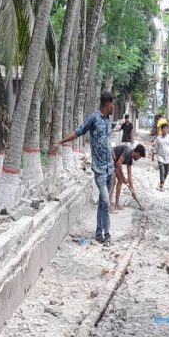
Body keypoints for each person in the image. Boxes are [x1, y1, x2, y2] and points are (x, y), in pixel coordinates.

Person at [57, 93, 116, 245]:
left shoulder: (109, 121)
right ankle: (107, 235)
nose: (114, 108)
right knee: (106, 201)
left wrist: (113, 158)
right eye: (112, 105)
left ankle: (98, 234)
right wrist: (61, 142)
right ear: (107, 105)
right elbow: (78, 132)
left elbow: (107, 143)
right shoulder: (94, 118)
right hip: (99, 170)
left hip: (110, 169)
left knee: (103, 203)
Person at [111, 142, 146, 210]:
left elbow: (129, 175)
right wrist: (123, 178)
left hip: (115, 162)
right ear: (137, 153)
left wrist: (133, 191)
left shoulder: (130, 160)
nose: (138, 159)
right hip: (110, 158)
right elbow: (119, 163)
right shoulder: (128, 150)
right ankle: (108, 205)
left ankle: (116, 204)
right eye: (139, 157)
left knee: (120, 180)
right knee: (113, 181)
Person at [153, 123, 169, 190]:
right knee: (162, 170)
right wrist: (153, 155)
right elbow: (156, 147)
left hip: (167, 157)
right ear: (161, 129)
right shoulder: (158, 138)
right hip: (160, 157)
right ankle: (162, 184)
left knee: (166, 171)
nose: (165, 129)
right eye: (164, 128)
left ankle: (162, 181)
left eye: (166, 128)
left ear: (168, 130)